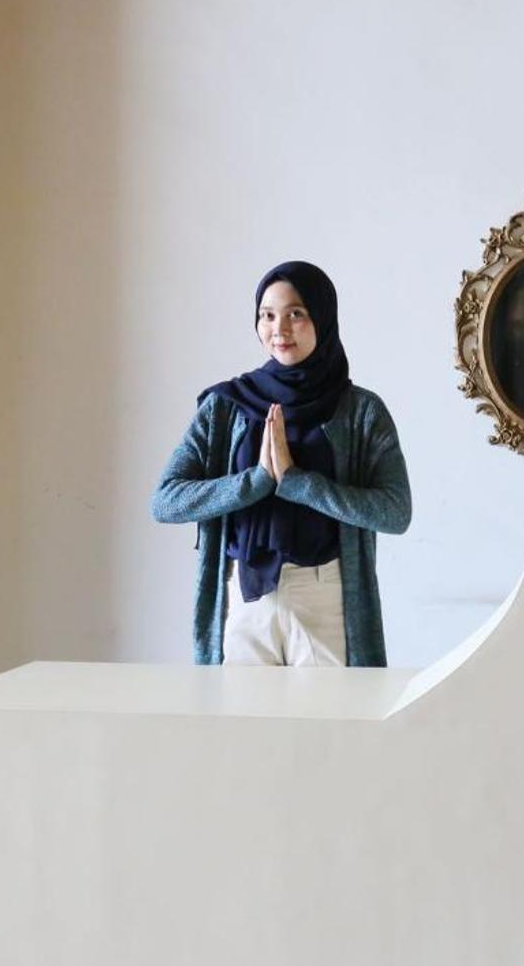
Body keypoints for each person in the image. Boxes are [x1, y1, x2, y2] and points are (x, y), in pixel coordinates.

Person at [150, 262, 411, 666]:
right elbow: (166, 502)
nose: (280, 329)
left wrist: (297, 482)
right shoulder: (227, 405)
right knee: (240, 710)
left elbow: (395, 512)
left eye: (296, 314)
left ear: (323, 318)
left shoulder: (361, 411)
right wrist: (255, 481)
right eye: (267, 315)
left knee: (332, 710)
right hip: (244, 600)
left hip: (326, 598)